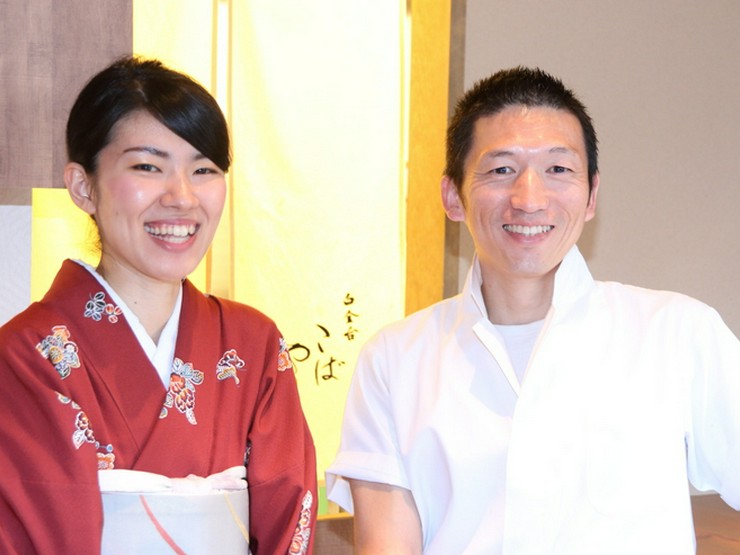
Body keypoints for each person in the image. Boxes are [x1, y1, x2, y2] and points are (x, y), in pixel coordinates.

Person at [325, 67, 740, 553]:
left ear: (591, 196)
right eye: (501, 170)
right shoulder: (394, 360)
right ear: (453, 196)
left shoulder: (677, 333)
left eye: (558, 169)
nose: (529, 199)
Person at [0, 57, 316, 554]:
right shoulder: (27, 356)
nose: (183, 198)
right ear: (83, 186)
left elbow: (288, 524)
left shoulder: (252, 346)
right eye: (148, 167)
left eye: (204, 170)